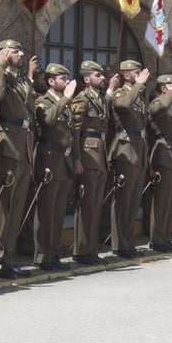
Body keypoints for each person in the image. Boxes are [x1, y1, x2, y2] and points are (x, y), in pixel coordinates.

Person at [0, 39, 37, 279]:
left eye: (20, 49)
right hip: (8, 145)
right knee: (1, 207)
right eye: (15, 50)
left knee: (17, 208)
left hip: (24, 146)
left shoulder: (22, 79)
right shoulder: (0, 76)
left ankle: (7, 257)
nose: (21, 53)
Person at [33, 63, 80, 270]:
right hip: (49, 161)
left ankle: (53, 253)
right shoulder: (43, 101)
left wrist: (77, 158)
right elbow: (48, 121)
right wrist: (66, 99)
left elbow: (72, 134)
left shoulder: (65, 103)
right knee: (46, 211)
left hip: (65, 161)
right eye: (63, 78)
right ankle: (43, 257)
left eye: (67, 78)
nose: (67, 82)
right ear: (51, 81)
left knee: (59, 211)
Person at [70, 60, 112, 265]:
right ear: (86, 79)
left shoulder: (101, 99)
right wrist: (76, 158)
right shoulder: (82, 99)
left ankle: (91, 250)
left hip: (100, 155)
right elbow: (75, 132)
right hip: (87, 154)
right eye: (98, 75)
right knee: (86, 205)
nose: (102, 78)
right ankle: (81, 250)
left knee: (95, 206)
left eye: (102, 75)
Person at [109, 59, 150, 259]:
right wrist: (140, 85)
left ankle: (128, 241)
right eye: (137, 72)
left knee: (134, 201)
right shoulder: (121, 93)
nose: (141, 75)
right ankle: (119, 245)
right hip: (125, 150)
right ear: (126, 75)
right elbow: (123, 106)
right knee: (123, 200)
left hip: (138, 150)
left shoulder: (139, 96)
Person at [147, 74, 172, 252]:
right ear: (163, 88)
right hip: (164, 153)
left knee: (170, 200)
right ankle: (156, 239)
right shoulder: (158, 102)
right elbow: (157, 108)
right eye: (171, 84)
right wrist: (170, 93)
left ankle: (165, 237)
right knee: (162, 200)